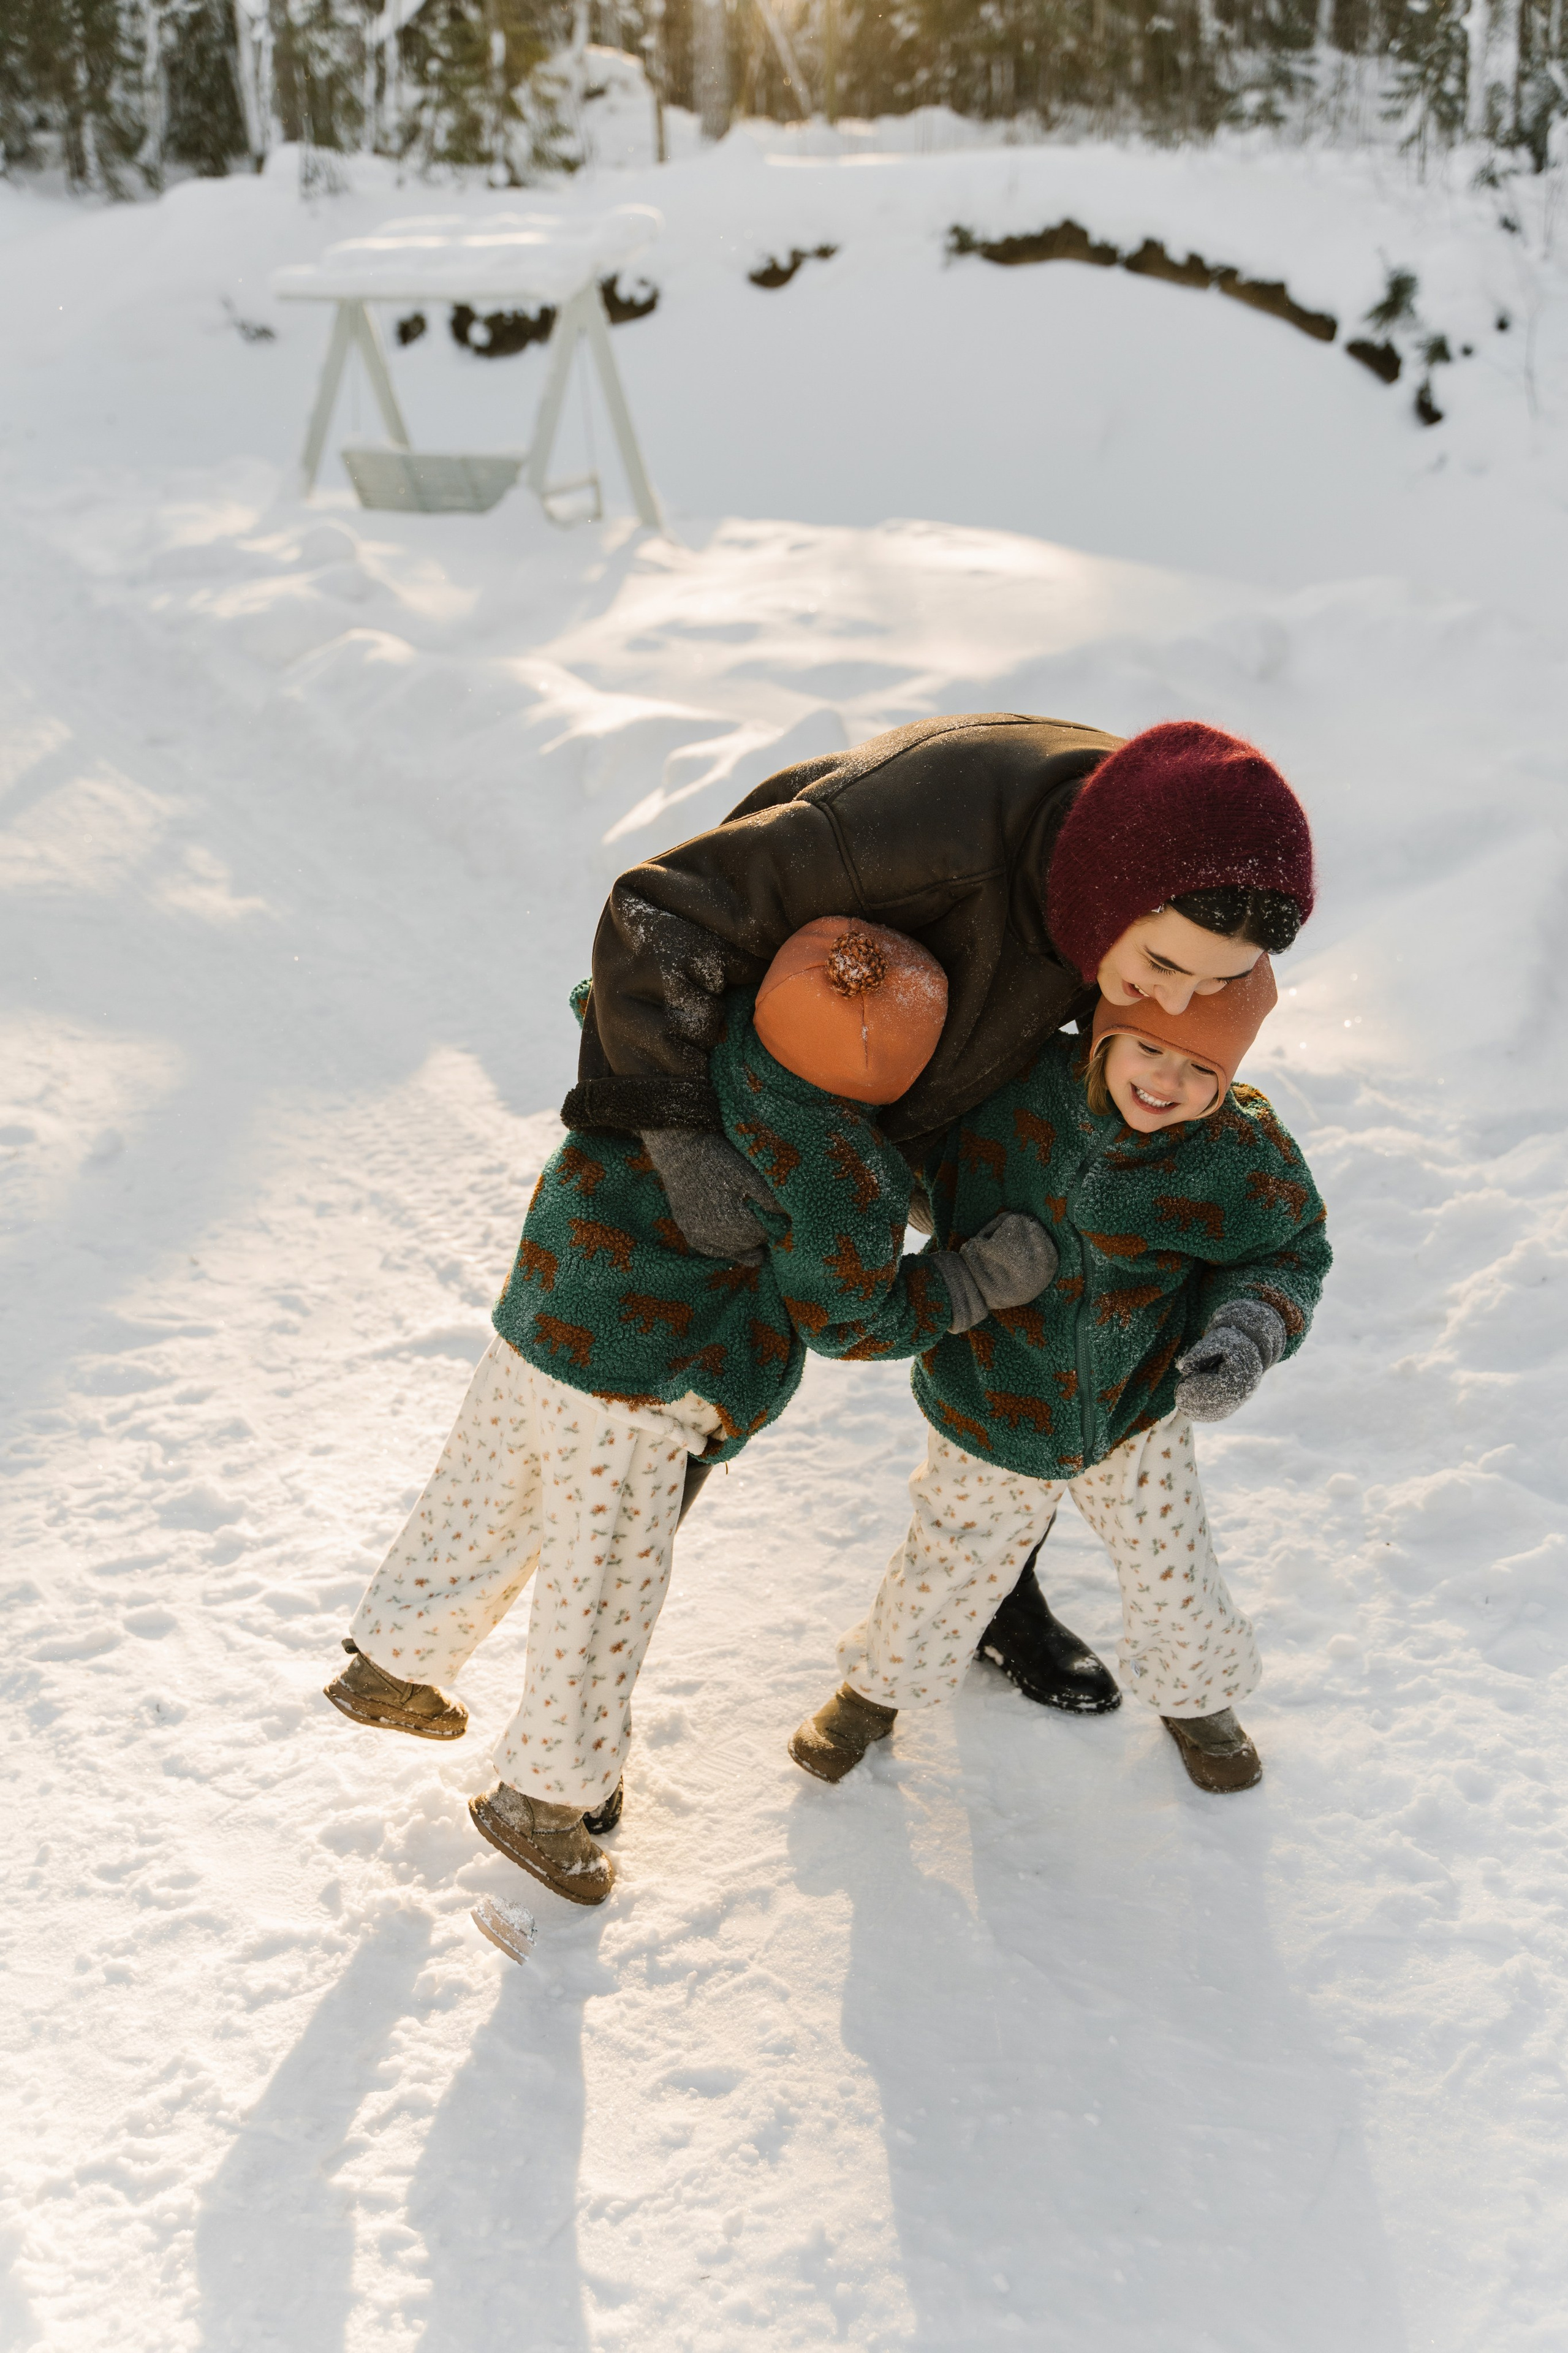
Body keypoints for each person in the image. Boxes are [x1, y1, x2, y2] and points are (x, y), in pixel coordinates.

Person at [567, 714, 1317, 1715]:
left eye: (1218, 982)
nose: (1180, 1004)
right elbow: (655, 913)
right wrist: (680, 1135)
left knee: (1039, 1324)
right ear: (1114, 890)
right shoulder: (915, 833)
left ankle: (998, 1600)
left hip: (892, 1114)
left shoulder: (1157, 874)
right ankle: (565, 1723)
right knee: (657, 1413)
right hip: (725, 1107)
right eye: (1167, 969)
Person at [323, 924, 1056, 1906]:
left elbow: (597, 1003)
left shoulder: (684, 1040)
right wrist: (971, 1282)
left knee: (481, 1505)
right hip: (642, 1393)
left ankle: (390, 1664)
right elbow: (849, 1315)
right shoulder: (838, 1168)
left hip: (539, 1325)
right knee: (601, 1601)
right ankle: (543, 1802)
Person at [788, 949, 1331, 1795]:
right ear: (1105, 1034)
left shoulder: (1236, 1154)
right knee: (947, 1561)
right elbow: (907, 1137)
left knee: (1174, 1567)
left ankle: (1198, 1700)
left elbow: (1287, 1250)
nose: (1168, 1080)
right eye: (1148, 1047)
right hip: (990, 1397)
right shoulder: (1013, 1091)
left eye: (1202, 1069)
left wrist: (1248, 1330)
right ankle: (874, 1694)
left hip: (1135, 1408)